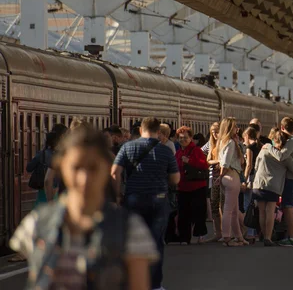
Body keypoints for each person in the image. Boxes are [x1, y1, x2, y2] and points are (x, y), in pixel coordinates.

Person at [11, 126, 158, 290]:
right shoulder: (36, 225)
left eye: (93, 168)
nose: (84, 179)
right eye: (76, 167)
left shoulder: (130, 228)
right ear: (62, 167)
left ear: (106, 169)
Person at [111, 117, 180, 290]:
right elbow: (175, 179)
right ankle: (155, 285)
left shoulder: (127, 147)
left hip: (133, 199)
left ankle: (131, 282)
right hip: (159, 200)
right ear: (158, 131)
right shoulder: (165, 151)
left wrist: (117, 195)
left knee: (131, 242)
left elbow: (114, 173)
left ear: (141, 130)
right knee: (156, 242)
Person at [253, 129, 293, 246]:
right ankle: (268, 237)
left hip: (259, 183)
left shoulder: (264, 150)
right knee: (269, 211)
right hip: (273, 186)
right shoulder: (284, 157)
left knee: (261, 212)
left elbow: (256, 165)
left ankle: (263, 234)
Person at [265, 117, 293, 247]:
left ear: (282, 127)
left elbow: (281, 156)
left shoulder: (292, 141)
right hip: (291, 178)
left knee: (288, 207)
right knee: (287, 207)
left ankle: (291, 238)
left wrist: (269, 147)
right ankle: (289, 236)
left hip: (291, 179)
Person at [175, 126, 209, 244]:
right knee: (183, 213)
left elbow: (204, 165)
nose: (182, 140)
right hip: (182, 187)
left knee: (199, 212)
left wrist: (189, 161)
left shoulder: (196, 150)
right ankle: (184, 238)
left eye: (185, 137)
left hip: (197, 186)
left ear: (190, 138)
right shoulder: (178, 153)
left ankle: (200, 235)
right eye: (180, 138)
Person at [216, 117, 247, 247]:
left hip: (226, 178)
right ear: (230, 128)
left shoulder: (222, 142)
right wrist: (221, 175)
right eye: (235, 127)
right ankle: (226, 236)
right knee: (229, 210)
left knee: (234, 210)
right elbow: (226, 162)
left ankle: (239, 237)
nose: (237, 129)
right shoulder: (230, 143)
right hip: (232, 176)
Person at [242, 126, 262, 240]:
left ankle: (249, 232)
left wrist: (244, 179)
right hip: (260, 177)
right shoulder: (260, 145)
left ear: (247, 136)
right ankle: (257, 232)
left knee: (247, 204)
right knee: (257, 205)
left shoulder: (250, 148)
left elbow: (249, 165)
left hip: (251, 177)